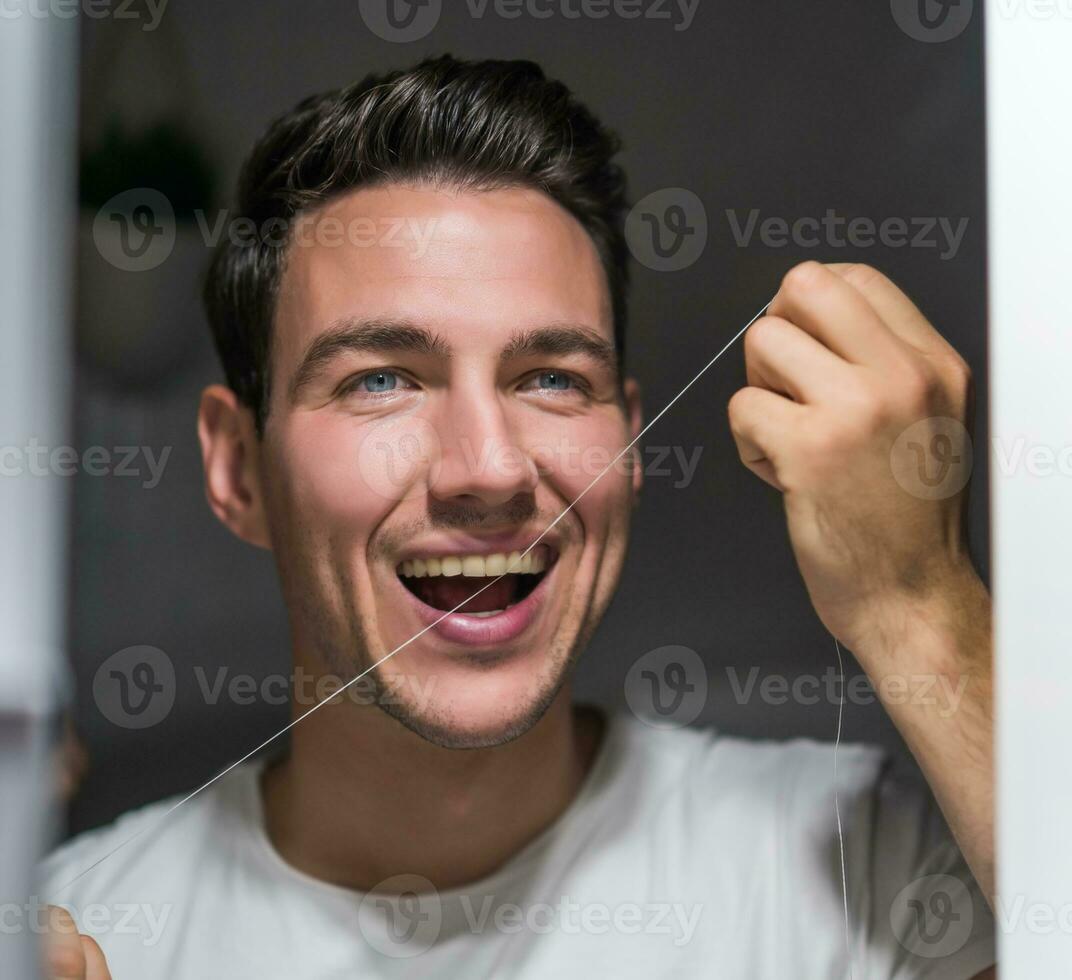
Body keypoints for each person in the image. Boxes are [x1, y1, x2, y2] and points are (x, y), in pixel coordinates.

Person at [39, 55, 994, 979]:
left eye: (550, 379)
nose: (490, 469)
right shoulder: (79, 931)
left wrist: (917, 605)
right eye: (381, 380)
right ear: (239, 468)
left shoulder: (872, 866)